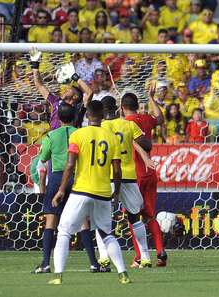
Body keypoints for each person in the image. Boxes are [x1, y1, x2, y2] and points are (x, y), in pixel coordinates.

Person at [48, 101, 130, 285]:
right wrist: (116, 191)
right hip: (102, 193)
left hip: (81, 191)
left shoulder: (77, 135)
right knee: (107, 234)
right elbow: (117, 170)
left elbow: (70, 165)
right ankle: (123, 274)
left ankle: (58, 276)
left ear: (87, 116)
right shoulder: (112, 138)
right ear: (102, 116)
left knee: (63, 231)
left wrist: (61, 189)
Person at [32, 102, 107, 274]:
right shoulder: (80, 134)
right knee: (83, 221)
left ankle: (45, 263)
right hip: (76, 178)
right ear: (74, 117)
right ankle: (94, 263)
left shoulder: (50, 136)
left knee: (51, 221)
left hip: (57, 178)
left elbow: (43, 158)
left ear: (58, 118)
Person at [95, 95, 154, 270]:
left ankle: (104, 256)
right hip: (128, 175)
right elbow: (147, 145)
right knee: (135, 217)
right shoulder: (128, 125)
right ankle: (145, 256)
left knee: (101, 219)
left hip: (107, 176)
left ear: (101, 111)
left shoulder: (99, 127)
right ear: (118, 108)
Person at [122, 92, 168, 267]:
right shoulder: (146, 119)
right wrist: (151, 98)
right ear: (137, 105)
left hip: (134, 175)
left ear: (122, 107)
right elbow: (160, 118)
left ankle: (139, 256)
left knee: (133, 217)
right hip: (150, 173)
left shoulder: (125, 124)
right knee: (149, 215)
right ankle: (160, 251)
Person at [30, 48, 93, 129]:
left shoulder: (78, 108)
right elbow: (39, 85)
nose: (65, 90)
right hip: (54, 137)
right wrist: (35, 65)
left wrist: (75, 77)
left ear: (75, 97)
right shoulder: (55, 101)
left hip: (70, 139)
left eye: (68, 90)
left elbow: (89, 93)